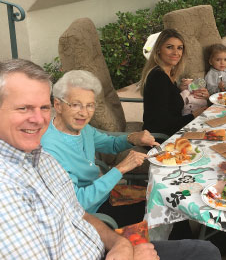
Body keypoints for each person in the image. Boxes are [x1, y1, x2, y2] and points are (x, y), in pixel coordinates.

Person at [0, 59, 226, 260]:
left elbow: (77, 212)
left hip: (94, 257)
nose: (38, 119)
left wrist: (118, 244)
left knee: (207, 255)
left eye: (42, 107)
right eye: (23, 108)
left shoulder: (37, 156)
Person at [41, 70, 158, 227]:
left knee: (163, 199)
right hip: (91, 215)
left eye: (90, 105)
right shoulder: (49, 150)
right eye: (75, 105)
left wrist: (133, 138)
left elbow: (110, 144)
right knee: (162, 213)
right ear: (58, 105)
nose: (84, 113)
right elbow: (78, 202)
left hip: (105, 194)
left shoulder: (82, 128)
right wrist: (120, 169)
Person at [141, 29, 210, 136]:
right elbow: (161, 123)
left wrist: (180, 90)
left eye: (179, 48)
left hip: (174, 130)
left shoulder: (168, 73)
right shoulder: (158, 77)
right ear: (158, 49)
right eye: (169, 47)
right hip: (161, 138)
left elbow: (167, 102)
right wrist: (194, 116)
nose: (176, 53)